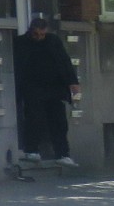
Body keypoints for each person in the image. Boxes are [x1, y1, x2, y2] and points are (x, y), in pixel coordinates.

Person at [13, 13, 80, 165]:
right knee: (34, 119)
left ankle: (62, 154)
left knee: (59, 122)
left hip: (54, 87)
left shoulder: (53, 41)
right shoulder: (21, 42)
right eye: (36, 34)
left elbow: (64, 61)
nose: (39, 37)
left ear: (46, 31)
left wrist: (72, 82)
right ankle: (32, 150)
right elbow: (18, 65)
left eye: (42, 34)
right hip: (32, 87)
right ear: (31, 31)